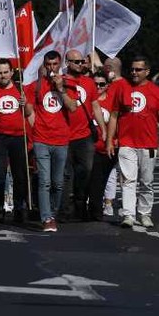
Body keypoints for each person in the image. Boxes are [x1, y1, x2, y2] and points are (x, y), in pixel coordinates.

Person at [107, 56, 159, 229]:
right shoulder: (123, 87)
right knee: (128, 180)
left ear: (147, 72)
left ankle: (145, 214)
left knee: (146, 181)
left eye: (138, 69)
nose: (134, 73)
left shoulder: (155, 90)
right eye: (132, 69)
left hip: (148, 143)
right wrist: (109, 141)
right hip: (126, 142)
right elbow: (114, 115)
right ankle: (128, 215)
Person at [24, 50, 77, 232]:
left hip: (61, 140)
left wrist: (61, 89)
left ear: (60, 64)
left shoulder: (69, 84)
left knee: (58, 182)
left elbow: (72, 107)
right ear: (44, 65)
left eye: (55, 64)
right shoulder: (35, 85)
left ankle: (52, 211)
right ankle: (47, 218)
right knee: (44, 181)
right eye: (48, 65)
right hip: (41, 139)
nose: (51, 68)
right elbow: (29, 110)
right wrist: (35, 124)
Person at [0, 60, 31, 225]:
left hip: (18, 136)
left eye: (5, 72)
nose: (2, 76)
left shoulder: (20, 89)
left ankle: (19, 208)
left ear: (11, 72)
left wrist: (25, 105)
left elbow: (28, 112)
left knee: (20, 175)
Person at [62, 49, 99, 222]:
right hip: (64, 135)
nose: (81, 64)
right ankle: (66, 209)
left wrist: (103, 129)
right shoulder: (61, 82)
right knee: (66, 174)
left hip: (84, 135)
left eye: (82, 61)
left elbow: (96, 106)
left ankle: (80, 204)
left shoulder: (89, 83)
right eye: (76, 62)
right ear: (67, 63)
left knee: (85, 171)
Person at [88, 70, 117, 221]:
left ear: (107, 85)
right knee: (90, 180)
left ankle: (103, 207)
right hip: (88, 147)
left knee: (102, 180)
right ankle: (91, 208)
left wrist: (114, 140)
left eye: (102, 84)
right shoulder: (87, 100)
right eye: (95, 84)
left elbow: (117, 123)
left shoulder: (112, 101)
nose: (98, 87)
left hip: (106, 148)